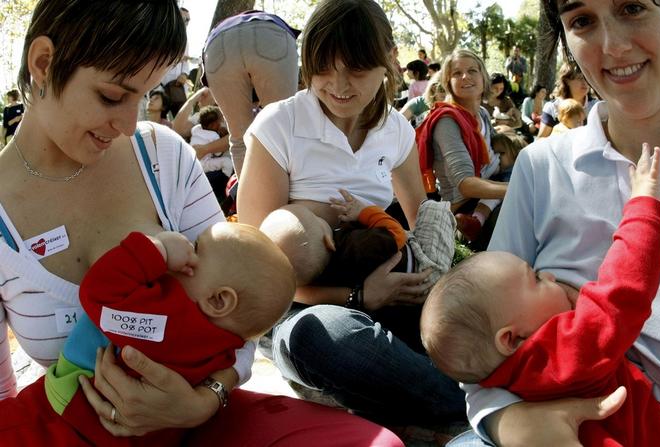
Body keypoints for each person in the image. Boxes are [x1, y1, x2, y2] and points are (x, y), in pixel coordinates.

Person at [0, 1, 403, 445]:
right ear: (44, 62)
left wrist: (206, 399)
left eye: (144, 96)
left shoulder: (162, 154)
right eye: (112, 96)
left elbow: (241, 319)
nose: (130, 125)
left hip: (201, 423)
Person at [449, 0, 660, 446]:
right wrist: (510, 423)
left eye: (631, 7)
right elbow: (480, 338)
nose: (612, 45)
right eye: (582, 21)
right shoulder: (541, 166)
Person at [235, 0, 466, 425]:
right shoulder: (278, 126)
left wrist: (428, 285)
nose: (339, 85)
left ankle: (400, 398)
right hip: (300, 307)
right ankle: (464, 408)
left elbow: (422, 225)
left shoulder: (396, 130)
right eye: (324, 69)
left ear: (388, 61)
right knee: (325, 338)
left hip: (391, 291)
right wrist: (357, 297)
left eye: (356, 70)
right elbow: (256, 273)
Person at [425, 145, 660, 446]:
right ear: (511, 339)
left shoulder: (504, 376)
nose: (550, 275)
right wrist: (644, 205)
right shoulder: (565, 351)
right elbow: (625, 288)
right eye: (535, 279)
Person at [0, 223, 295, 446]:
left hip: (68, 413)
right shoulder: (225, 347)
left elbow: (98, 293)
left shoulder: (167, 317)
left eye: (196, 248)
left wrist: (157, 250)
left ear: (218, 300)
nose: (186, 247)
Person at [260, 189, 455, 290]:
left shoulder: (321, 277)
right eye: (315, 218)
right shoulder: (355, 245)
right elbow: (396, 234)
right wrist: (364, 212)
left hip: (401, 289)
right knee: (434, 210)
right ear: (328, 241)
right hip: (424, 271)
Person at [415, 49, 507, 247]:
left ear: (483, 77)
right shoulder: (447, 121)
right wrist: (518, 188)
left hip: (492, 185)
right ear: (448, 83)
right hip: (464, 205)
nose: (465, 76)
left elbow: (495, 149)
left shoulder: (482, 113)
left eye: (472, 70)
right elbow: (466, 184)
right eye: (457, 73)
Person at [203, 10, 300, 176]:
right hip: (268, 30)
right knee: (286, 131)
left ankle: (247, 193)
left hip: (216, 43)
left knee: (239, 139)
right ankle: (293, 190)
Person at [537, 63, 596, 137]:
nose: (585, 82)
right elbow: (540, 140)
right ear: (567, 80)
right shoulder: (552, 107)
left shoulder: (596, 106)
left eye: (586, 77)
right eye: (580, 78)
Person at [160, 6, 192, 118]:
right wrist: (177, 57)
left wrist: (184, 74)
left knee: (181, 116)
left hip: (176, 85)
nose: (186, 22)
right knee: (158, 116)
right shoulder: (162, 33)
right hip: (159, 84)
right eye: (184, 19)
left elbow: (186, 62)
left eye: (188, 20)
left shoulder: (185, 40)